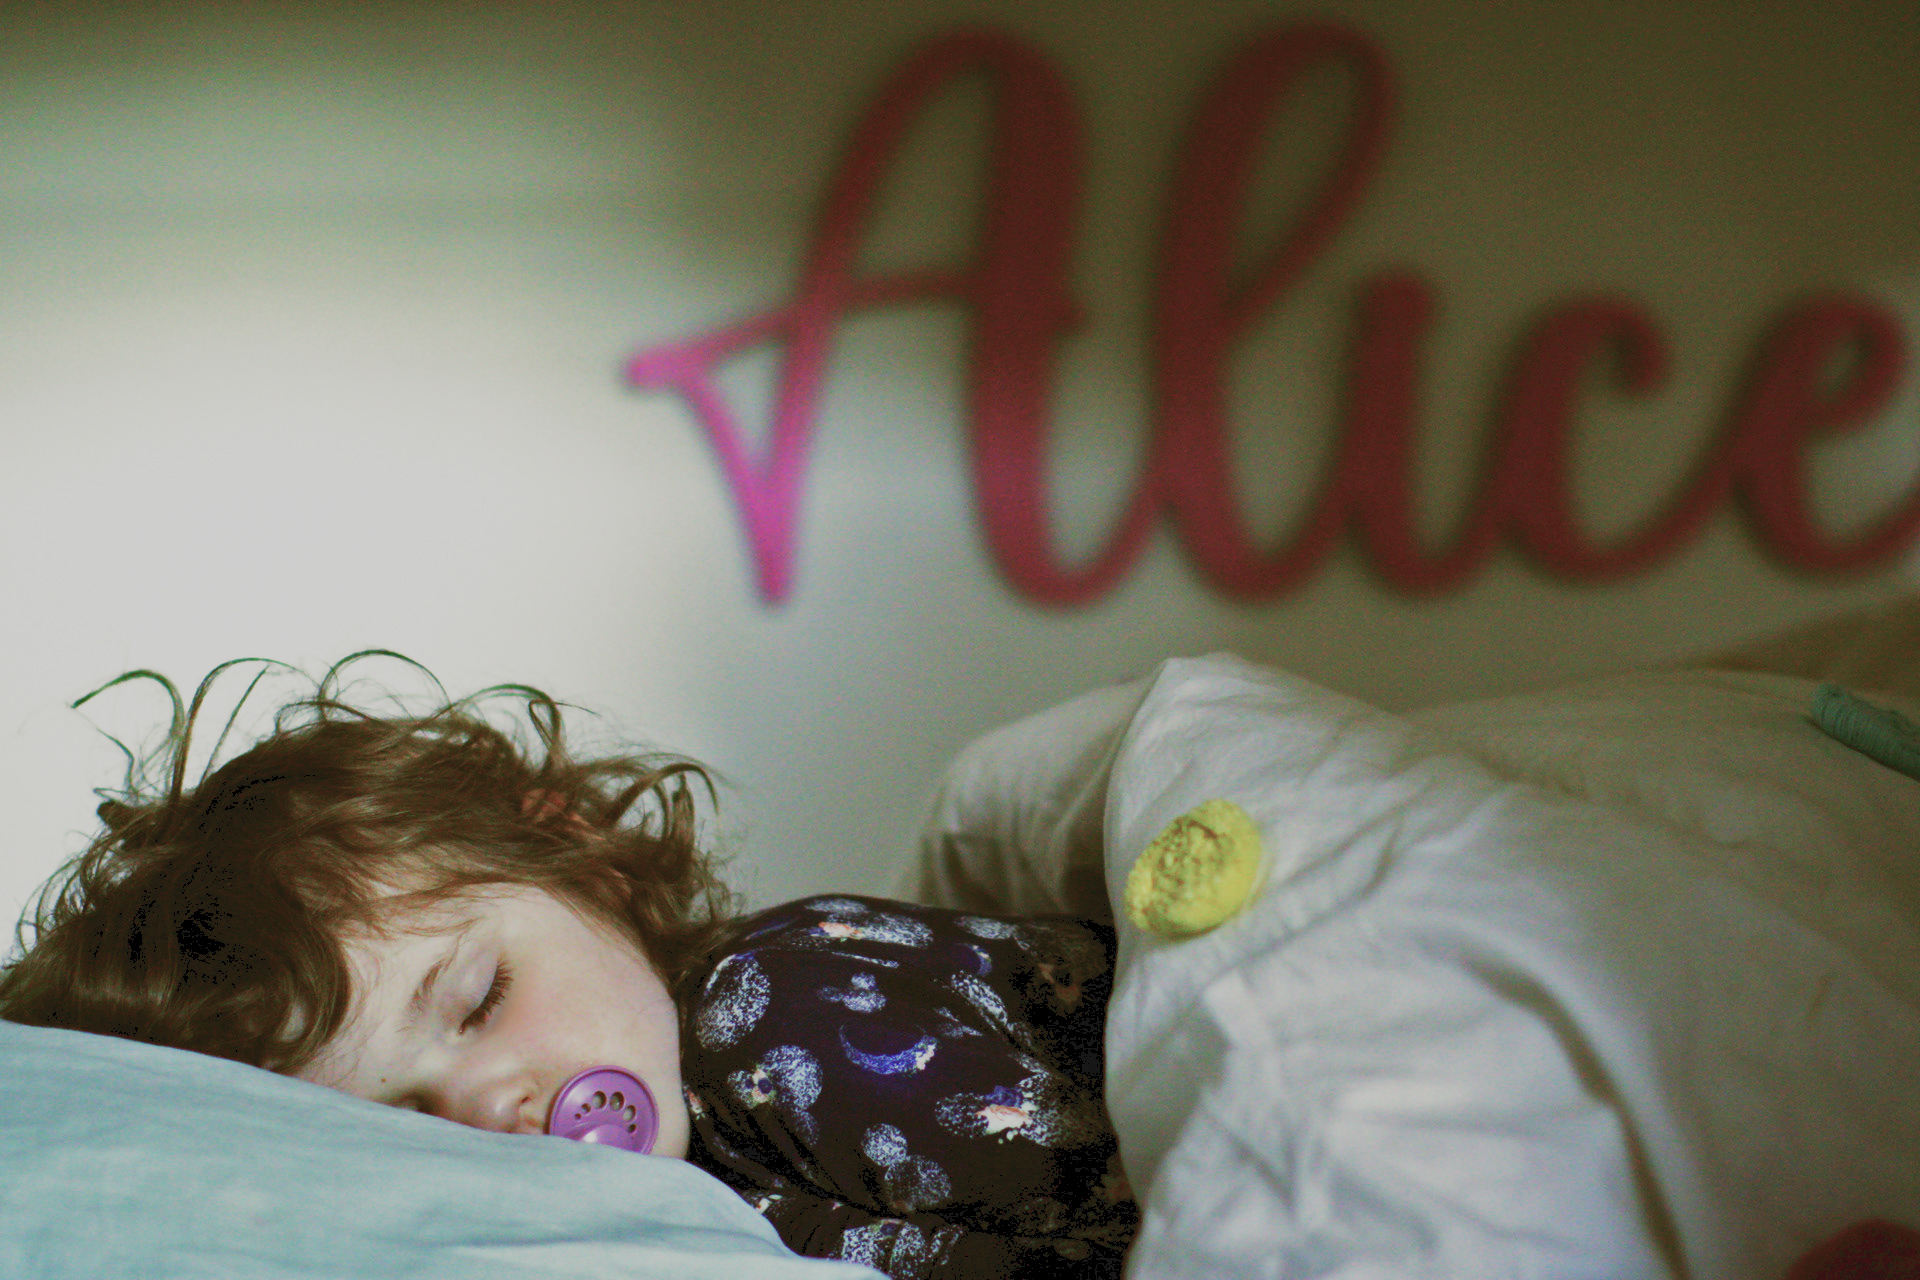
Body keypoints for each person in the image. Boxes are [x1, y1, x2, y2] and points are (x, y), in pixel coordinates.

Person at [0, 657, 1136, 1280]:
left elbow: (1138, 1213)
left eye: (480, 1000)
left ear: (584, 859)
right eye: (402, 1123)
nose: (482, 1107)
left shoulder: (772, 1016)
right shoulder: (671, 1211)